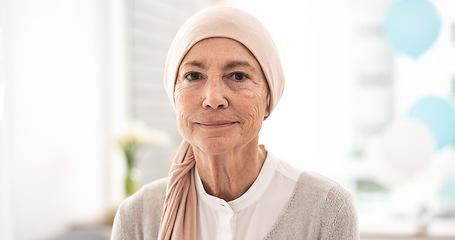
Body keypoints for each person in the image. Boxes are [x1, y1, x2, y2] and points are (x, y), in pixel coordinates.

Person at [111, 6, 359, 240]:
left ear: (269, 97)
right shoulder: (137, 217)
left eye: (238, 76)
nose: (213, 98)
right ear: (173, 94)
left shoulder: (327, 210)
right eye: (193, 76)